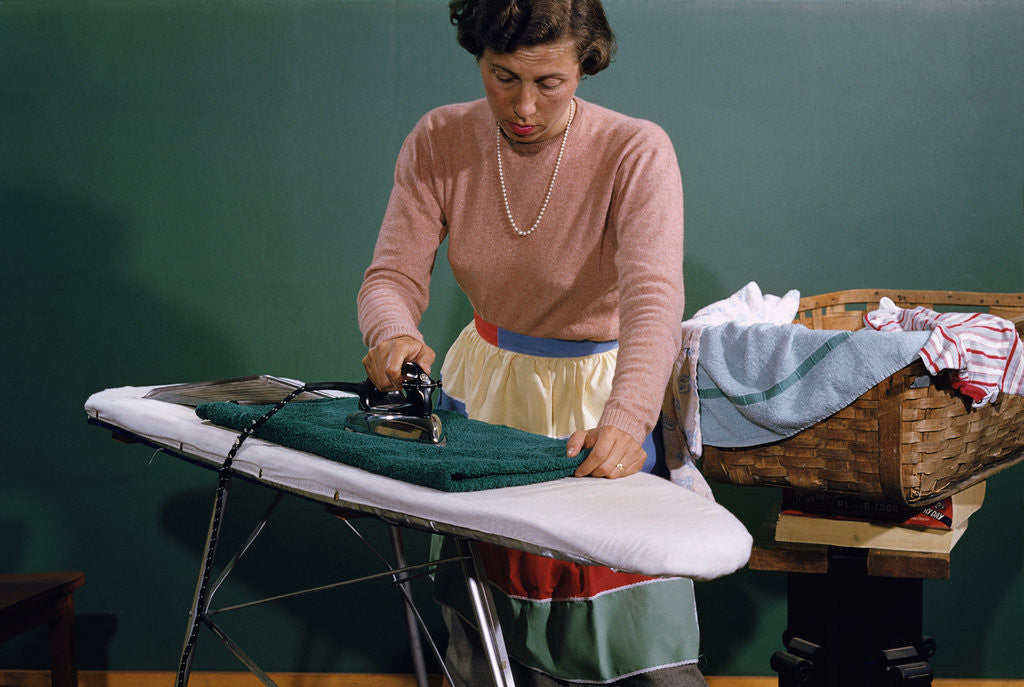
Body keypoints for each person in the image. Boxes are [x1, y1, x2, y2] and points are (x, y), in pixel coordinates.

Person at [357, 1, 706, 684]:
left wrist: (628, 418)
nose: (522, 106)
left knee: (635, 641)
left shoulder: (635, 149)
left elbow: (654, 300)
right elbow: (391, 275)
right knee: (491, 635)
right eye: (502, 76)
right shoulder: (439, 138)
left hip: (600, 396)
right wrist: (392, 331)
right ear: (479, 59)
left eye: (549, 82)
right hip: (485, 396)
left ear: (586, 63)